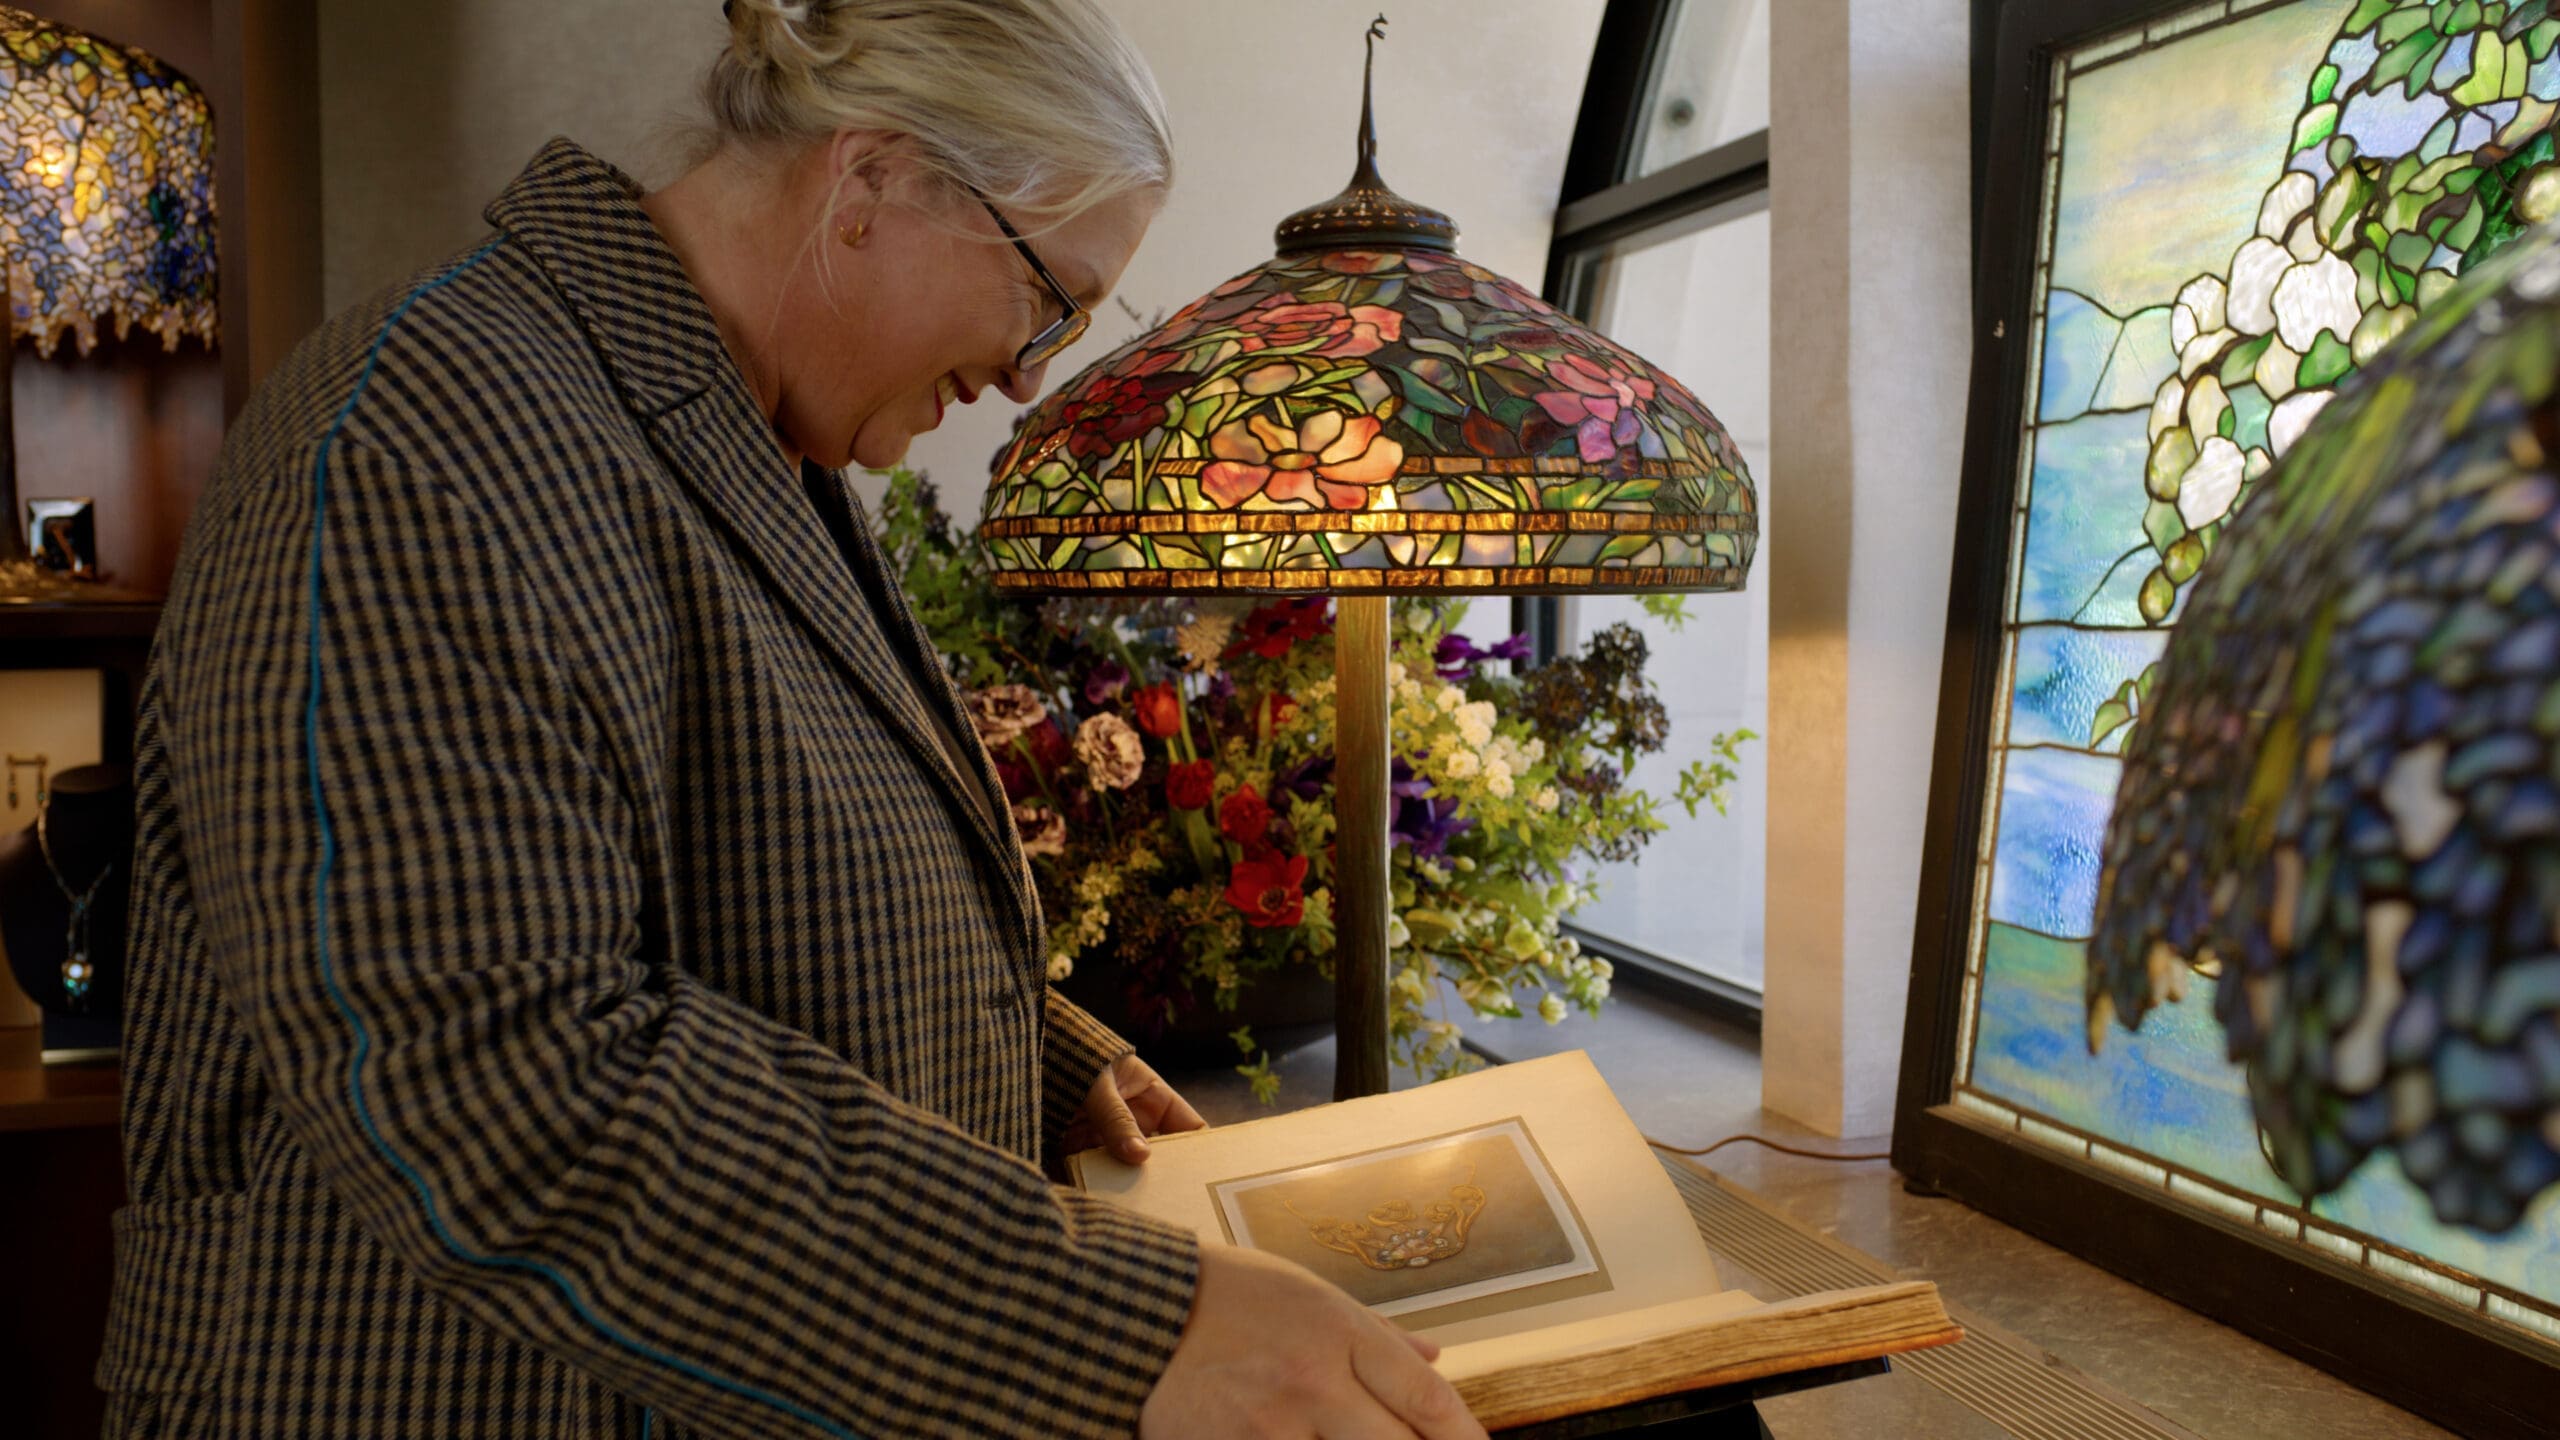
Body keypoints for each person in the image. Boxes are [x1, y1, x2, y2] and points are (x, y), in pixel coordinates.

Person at [94, 2, 1490, 1437]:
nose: (1029, 373)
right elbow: (504, 1086)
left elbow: (748, 880)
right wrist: (1139, 1334)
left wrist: (1045, 1054)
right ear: (874, 180)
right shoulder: (418, 444)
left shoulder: (739, 432)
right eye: (1048, 299)